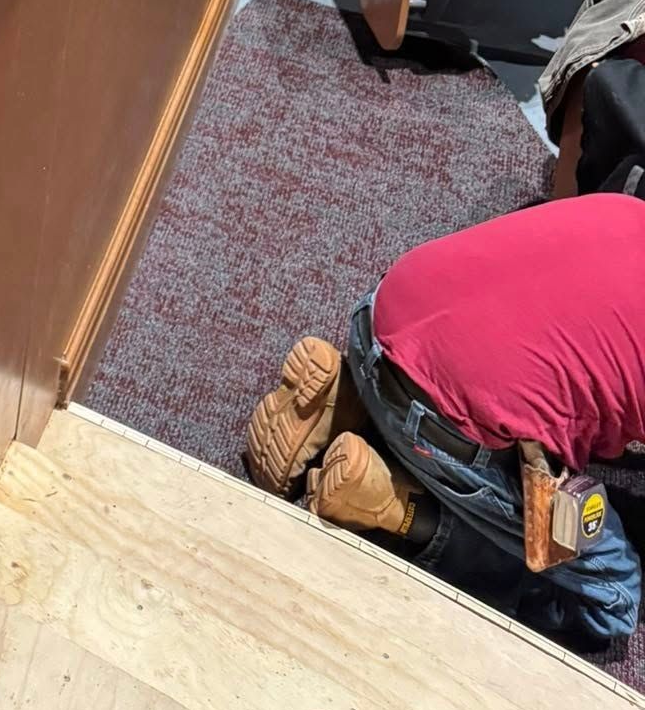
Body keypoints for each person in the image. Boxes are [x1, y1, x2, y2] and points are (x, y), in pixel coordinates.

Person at [245, 194, 645, 648]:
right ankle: (402, 508)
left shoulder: (627, 208)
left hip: (379, 315)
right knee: (613, 601)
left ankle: (348, 402)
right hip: (434, 417)